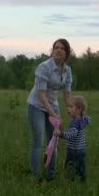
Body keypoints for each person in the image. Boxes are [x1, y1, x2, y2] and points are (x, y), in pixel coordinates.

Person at [26, 38, 73, 181]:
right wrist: (52, 114)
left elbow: (66, 95)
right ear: (52, 51)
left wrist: (73, 111)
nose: (58, 50)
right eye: (56, 47)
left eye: (62, 48)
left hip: (53, 105)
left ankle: (51, 175)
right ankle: (36, 176)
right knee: (38, 141)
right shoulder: (44, 67)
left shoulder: (67, 70)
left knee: (54, 140)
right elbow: (41, 94)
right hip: (36, 106)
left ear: (66, 53)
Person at [53, 95, 91, 182]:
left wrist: (60, 134)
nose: (68, 109)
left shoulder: (75, 123)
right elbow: (89, 119)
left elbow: (71, 135)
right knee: (81, 166)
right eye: (67, 106)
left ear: (78, 109)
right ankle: (83, 180)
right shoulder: (83, 119)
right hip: (82, 150)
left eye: (70, 107)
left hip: (73, 151)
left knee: (70, 167)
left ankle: (69, 181)